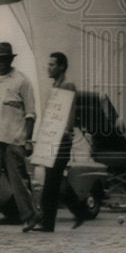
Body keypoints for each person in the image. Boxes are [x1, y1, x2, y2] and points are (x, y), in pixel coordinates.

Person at [0, 42, 40, 233]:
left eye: (3, 59)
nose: (0, 63)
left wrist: (28, 140)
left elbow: (30, 114)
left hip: (13, 139)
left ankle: (31, 215)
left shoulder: (22, 81)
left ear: (11, 59)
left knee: (17, 181)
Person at [29, 52, 90, 232]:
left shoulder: (67, 86)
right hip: (52, 138)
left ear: (62, 66)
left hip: (62, 139)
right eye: (48, 64)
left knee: (52, 181)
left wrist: (67, 131)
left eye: (52, 65)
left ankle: (48, 223)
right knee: (56, 179)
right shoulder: (55, 87)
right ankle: (80, 210)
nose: (49, 68)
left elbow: (69, 111)